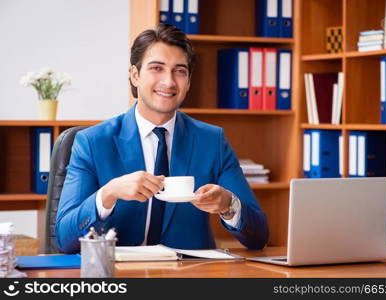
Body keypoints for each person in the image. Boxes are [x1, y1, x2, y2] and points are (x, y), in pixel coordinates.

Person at [56, 23, 269, 253]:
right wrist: (108, 194)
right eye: (157, 68)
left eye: (179, 71)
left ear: (188, 82)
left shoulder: (212, 141)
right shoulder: (92, 142)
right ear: (135, 75)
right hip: (121, 278)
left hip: (189, 278)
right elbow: (65, 239)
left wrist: (229, 205)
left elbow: (259, 238)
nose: (168, 81)